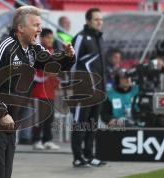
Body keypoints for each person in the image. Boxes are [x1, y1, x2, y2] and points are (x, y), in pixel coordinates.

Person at [0, 6, 75, 178]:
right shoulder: (2, 48)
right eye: (36, 25)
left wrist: (68, 57)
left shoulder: (34, 49)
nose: (40, 29)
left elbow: (53, 66)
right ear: (20, 28)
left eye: (40, 25)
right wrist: (1, 112)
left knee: (4, 174)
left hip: (12, 121)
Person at [71, 7, 106, 167]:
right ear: (88, 21)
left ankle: (90, 156)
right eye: (96, 19)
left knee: (92, 125)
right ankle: (78, 157)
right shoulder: (80, 38)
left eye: (101, 19)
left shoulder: (100, 38)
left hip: (98, 91)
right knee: (80, 124)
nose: (100, 22)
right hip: (83, 91)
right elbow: (72, 63)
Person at [31, 28, 60, 150]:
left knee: (50, 116)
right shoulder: (36, 52)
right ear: (41, 38)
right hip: (38, 90)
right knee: (38, 117)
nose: (50, 40)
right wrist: (45, 76)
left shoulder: (53, 53)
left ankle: (47, 140)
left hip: (50, 91)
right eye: (48, 37)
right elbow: (32, 72)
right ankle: (36, 140)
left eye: (52, 38)